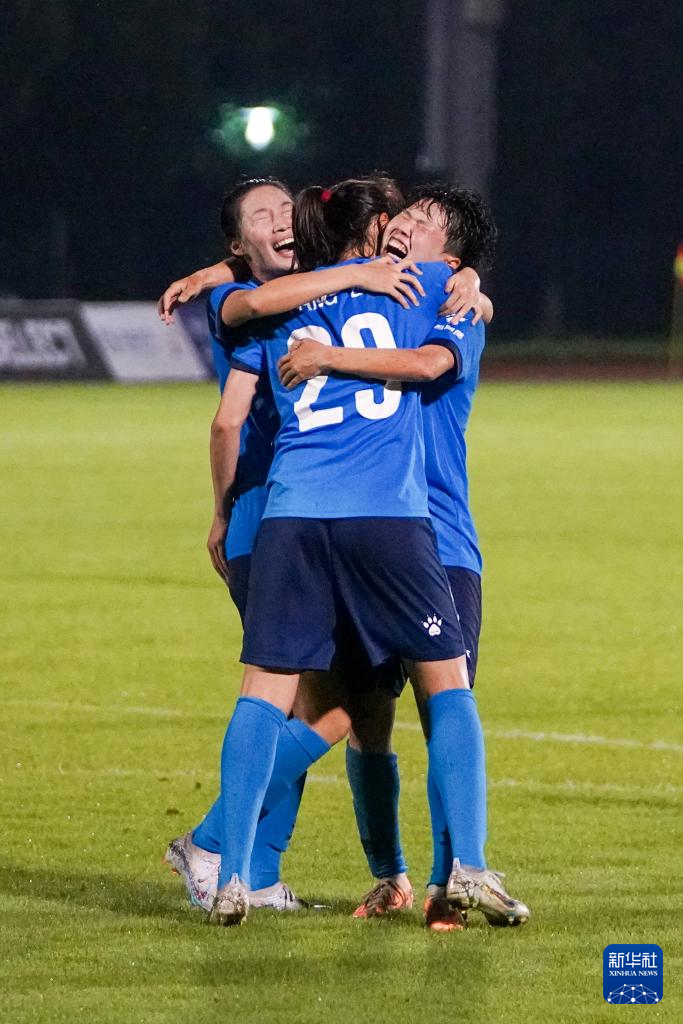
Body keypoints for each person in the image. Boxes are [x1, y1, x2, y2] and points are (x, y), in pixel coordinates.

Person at [204, 178, 529, 929]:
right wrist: (463, 286)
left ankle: (440, 884)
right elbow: (430, 345)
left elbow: (242, 331)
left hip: (345, 522)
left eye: (420, 219)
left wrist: (466, 288)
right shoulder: (418, 291)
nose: (403, 226)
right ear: (374, 230)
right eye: (398, 216)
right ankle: (421, 872)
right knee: (396, 706)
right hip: (395, 521)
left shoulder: (292, 303)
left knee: (291, 696)